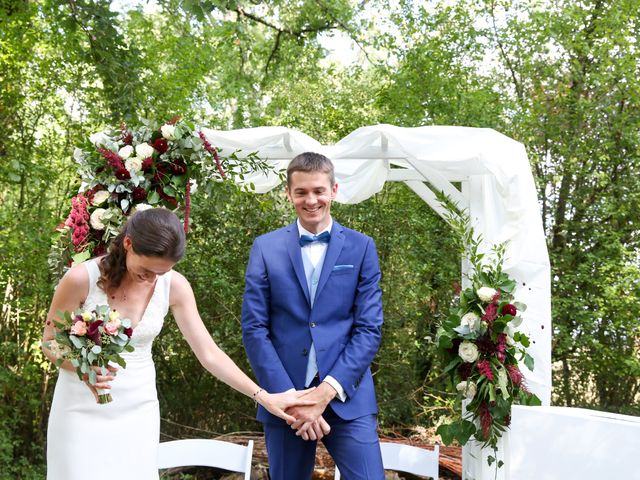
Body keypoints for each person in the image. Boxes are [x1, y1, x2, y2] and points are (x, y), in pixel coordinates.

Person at [43, 208, 313, 480]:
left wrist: (264, 397)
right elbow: (50, 344)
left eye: (160, 273)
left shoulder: (175, 286)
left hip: (138, 409)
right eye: (146, 269)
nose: (151, 279)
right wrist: (83, 367)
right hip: (79, 408)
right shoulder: (80, 279)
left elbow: (209, 354)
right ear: (127, 244)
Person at [241, 152, 385, 480]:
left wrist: (325, 392)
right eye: (302, 192)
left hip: (347, 397)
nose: (311, 200)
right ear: (288, 194)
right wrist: (290, 400)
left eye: (319, 190)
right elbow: (254, 328)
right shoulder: (266, 248)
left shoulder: (362, 247)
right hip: (284, 401)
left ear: (334, 190)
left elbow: (369, 328)